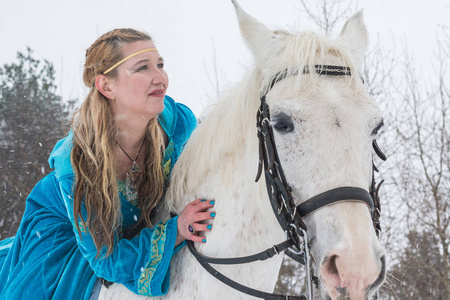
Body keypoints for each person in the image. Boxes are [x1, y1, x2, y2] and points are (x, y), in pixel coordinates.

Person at [0, 28, 214, 299]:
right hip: (62, 226)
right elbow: (106, 260)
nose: (160, 77)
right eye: (142, 68)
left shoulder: (177, 124)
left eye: (160, 65)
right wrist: (176, 231)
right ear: (106, 86)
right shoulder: (76, 165)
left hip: (132, 223)